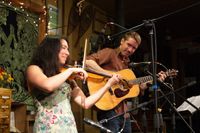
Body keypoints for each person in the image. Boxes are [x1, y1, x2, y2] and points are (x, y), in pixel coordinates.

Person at [26, 35, 120, 133]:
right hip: (47, 128)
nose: (68, 53)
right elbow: (48, 85)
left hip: (69, 128)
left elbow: (86, 103)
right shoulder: (34, 69)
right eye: (64, 48)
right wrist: (71, 70)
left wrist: (107, 85)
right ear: (51, 48)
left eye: (68, 49)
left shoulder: (66, 77)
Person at [86, 31, 167, 133]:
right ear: (122, 41)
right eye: (129, 45)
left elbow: (138, 88)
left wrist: (153, 81)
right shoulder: (110, 53)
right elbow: (88, 62)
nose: (130, 50)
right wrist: (109, 75)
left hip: (124, 113)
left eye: (134, 48)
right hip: (108, 108)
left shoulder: (128, 65)